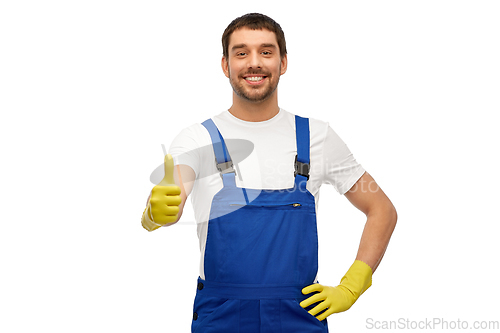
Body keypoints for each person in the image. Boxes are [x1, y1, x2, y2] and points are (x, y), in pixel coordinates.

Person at [141, 13, 397, 333]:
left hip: (300, 313)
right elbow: (174, 194)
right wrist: (156, 211)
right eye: (241, 52)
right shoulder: (198, 138)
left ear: (283, 62)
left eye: (266, 51)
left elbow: (382, 210)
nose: (254, 63)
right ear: (225, 65)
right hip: (221, 316)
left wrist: (353, 284)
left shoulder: (317, 136)